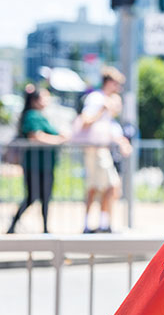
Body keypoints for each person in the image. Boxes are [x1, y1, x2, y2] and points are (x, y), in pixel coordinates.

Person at [7, 85, 67, 234]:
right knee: (33, 196)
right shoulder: (32, 116)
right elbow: (35, 136)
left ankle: (45, 227)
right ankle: (15, 223)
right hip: (35, 164)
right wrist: (58, 140)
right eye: (44, 97)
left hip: (45, 164)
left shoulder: (40, 116)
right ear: (35, 100)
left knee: (44, 196)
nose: (47, 100)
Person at [78, 67, 127, 233]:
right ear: (109, 82)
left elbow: (108, 127)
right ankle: (102, 225)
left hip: (101, 148)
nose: (119, 88)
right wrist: (102, 109)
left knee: (97, 187)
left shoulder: (105, 99)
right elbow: (86, 121)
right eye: (117, 84)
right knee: (109, 186)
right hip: (95, 148)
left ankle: (98, 224)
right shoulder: (97, 99)